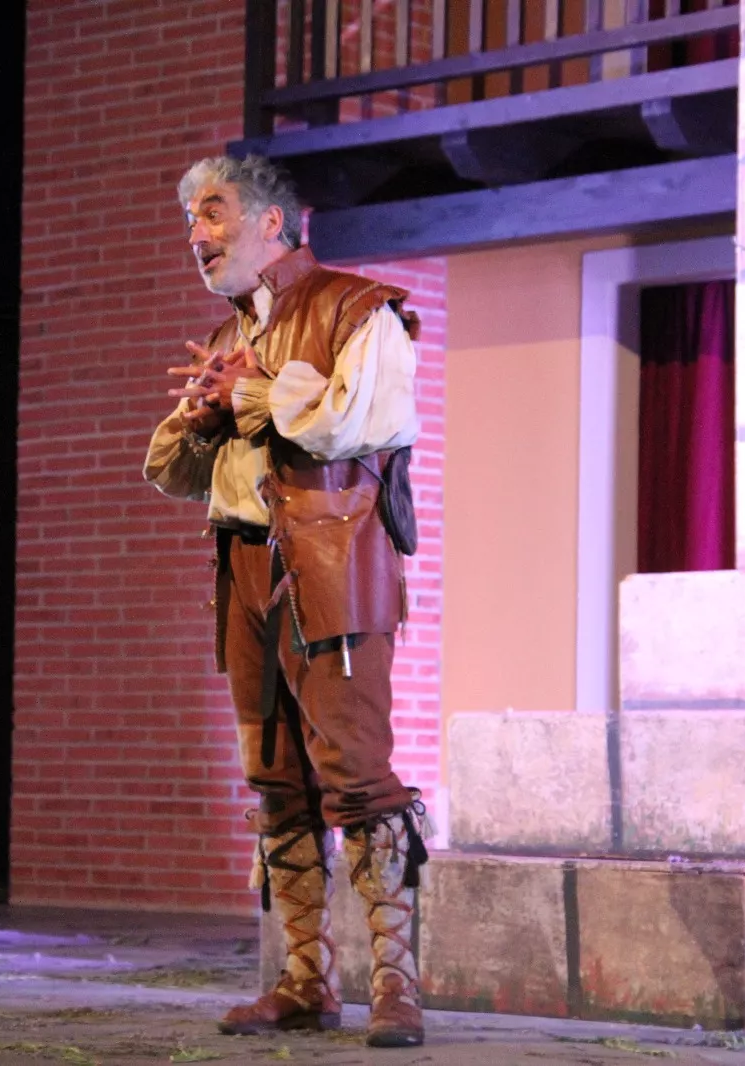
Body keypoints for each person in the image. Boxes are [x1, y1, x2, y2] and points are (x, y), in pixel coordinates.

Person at [143, 154, 429, 1049]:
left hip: (331, 563)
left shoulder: (355, 307)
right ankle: (304, 978)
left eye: (214, 212)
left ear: (275, 220)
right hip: (245, 568)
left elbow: (362, 420)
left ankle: (398, 985)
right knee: (274, 779)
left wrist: (255, 394)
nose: (197, 233)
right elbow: (177, 475)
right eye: (191, 217)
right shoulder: (236, 335)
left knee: (356, 776)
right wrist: (201, 420)